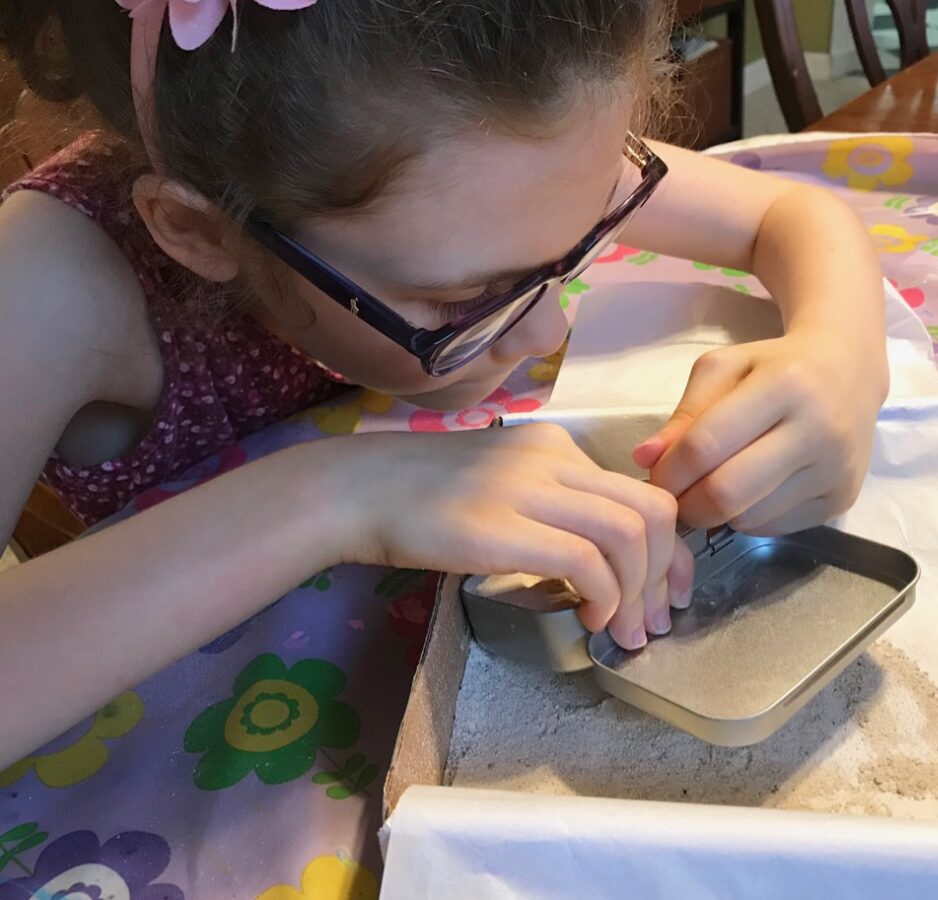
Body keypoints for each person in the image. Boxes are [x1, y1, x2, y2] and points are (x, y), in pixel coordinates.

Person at [0, 0, 888, 770]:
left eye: (581, 243)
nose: (547, 333)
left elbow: (789, 211)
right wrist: (336, 495)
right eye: (465, 301)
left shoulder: (490, 145)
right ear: (200, 232)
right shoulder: (47, 283)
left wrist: (839, 353)